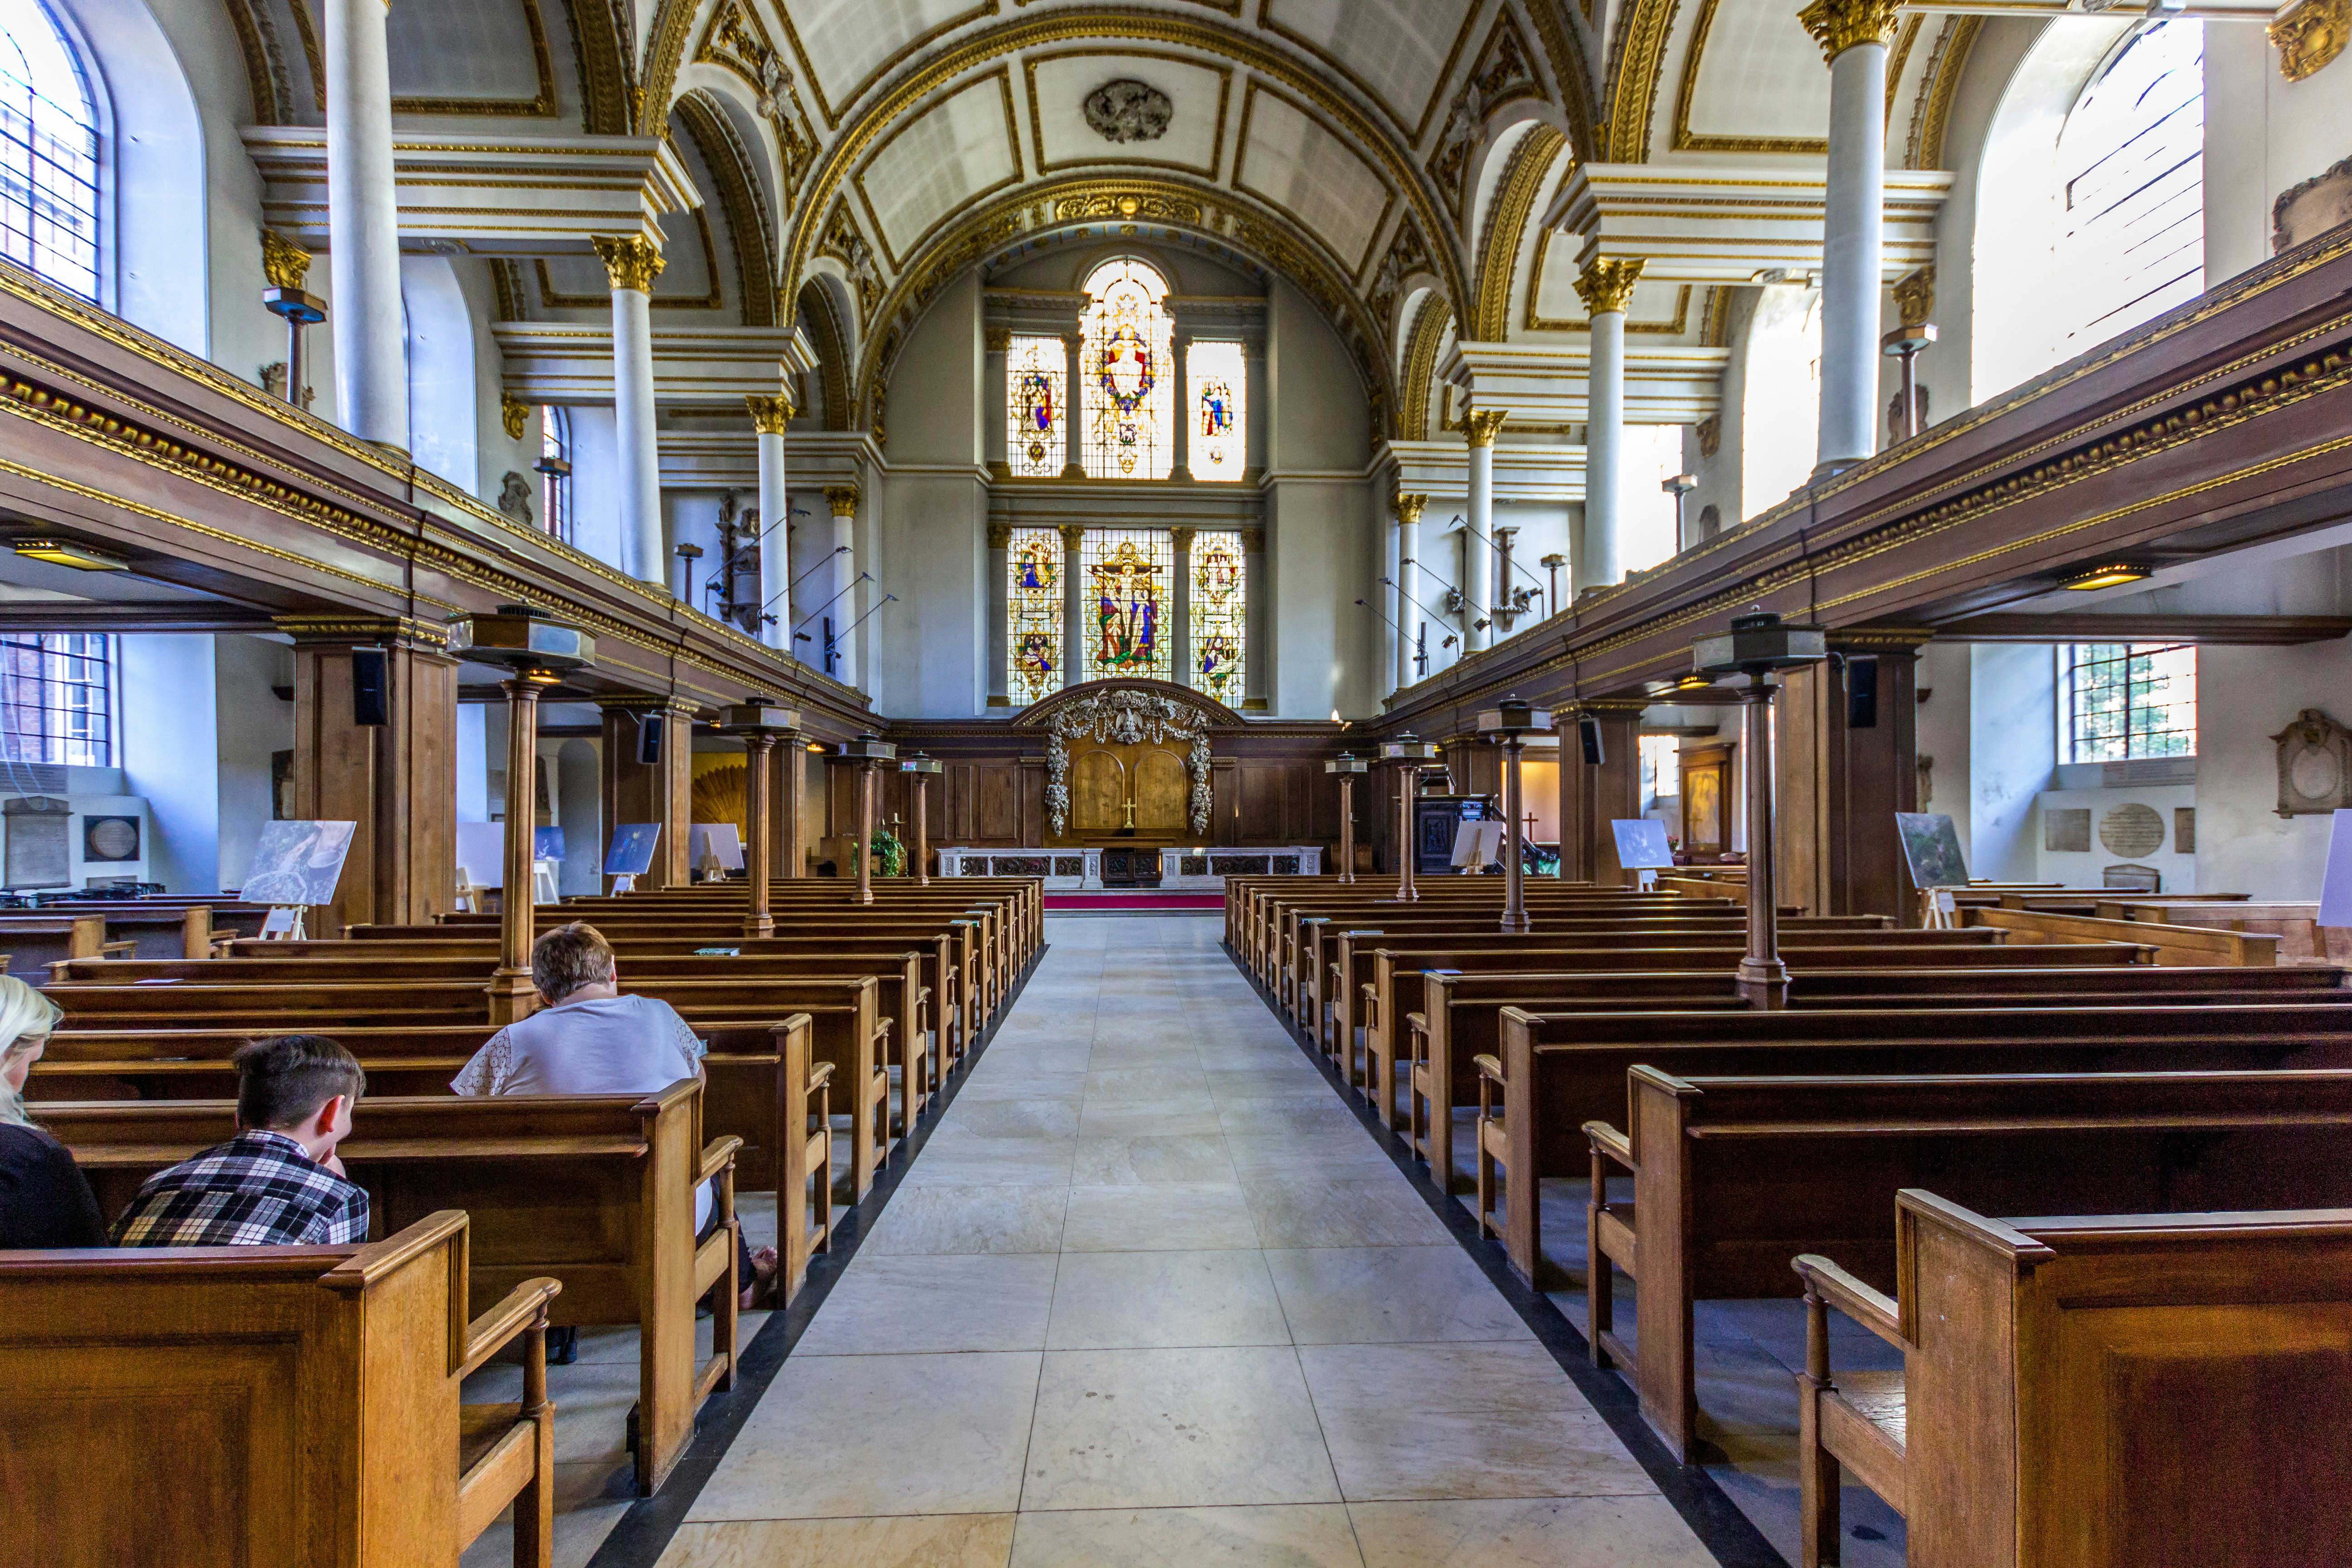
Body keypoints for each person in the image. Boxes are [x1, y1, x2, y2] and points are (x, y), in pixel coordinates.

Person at [451, 922, 778, 1326]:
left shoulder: (514, 1039)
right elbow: (697, 1089)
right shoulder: (659, 1014)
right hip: (666, 1214)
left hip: (545, 1222)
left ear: (544, 992)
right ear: (613, 972)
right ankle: (742, 1284)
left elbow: (467, 1113)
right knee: (704, 1157)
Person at [111, 1035, 369, 1247]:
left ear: (239, 1117)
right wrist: (334, 1185)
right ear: (332, 1112)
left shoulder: (157, 1184)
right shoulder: (339, 1199)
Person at [0, 975, 107, 1249]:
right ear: (6, 1054)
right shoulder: (33, 1158)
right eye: (30, 1063)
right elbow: (91, 1264)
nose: (24, 1079)